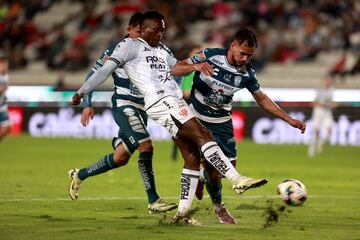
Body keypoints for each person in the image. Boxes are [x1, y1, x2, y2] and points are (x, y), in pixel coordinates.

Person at [72, 11, 273, 225]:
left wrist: (194, 66)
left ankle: (183, 214)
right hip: (161, 101)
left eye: (163, 30)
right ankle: (236, 179)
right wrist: (82, 92)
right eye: (155, 29)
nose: (160, 33)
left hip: (173, 101)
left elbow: (176, 68)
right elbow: (104, 71)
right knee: (203, 134)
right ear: (143, 28)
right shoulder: (128, 46)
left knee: (192, 156)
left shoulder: (161, 49)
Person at [171, 27, 307, 224]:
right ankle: (219, 208)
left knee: (224, 167)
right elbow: (175, 68)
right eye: (243, 53)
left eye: (249, 55)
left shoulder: (247, 73)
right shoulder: (209, 56)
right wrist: (195, 67)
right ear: (233, 45)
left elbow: (262, 100)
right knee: (202, 162)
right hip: (195, 116)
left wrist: (289, 119)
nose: (245, 58)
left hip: (222, 121)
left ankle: (202, 177)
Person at [68, 12, 177, 214]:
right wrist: (86, 103)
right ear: (130, 30)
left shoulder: (158, 49)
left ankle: (79, 174)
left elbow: (175, 69)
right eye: (138, 32)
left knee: (120, 158)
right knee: (146, 145)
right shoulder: (118, 49)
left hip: (145, 107)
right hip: (125, 104)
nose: (141, 36)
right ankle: (154, 200)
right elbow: (95, 74)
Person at [308, 76, 335, 157]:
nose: (328, 82)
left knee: (330, 129)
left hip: (327, 111)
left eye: (329, 80)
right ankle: (312, 149)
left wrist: (332, 105)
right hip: (319, 111)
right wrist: (323, 104)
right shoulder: (320, 90)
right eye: (327, 80)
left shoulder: (332, 90)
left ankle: (321, 143)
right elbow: (313, 102)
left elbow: (331, 101)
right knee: (317, 131)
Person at [0, 51, 11, 142]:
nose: (4, 64)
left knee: (7, 127)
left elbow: (4, 88)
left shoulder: (5, 75)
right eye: (1, 62)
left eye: (5, 62)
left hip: (1, 104)